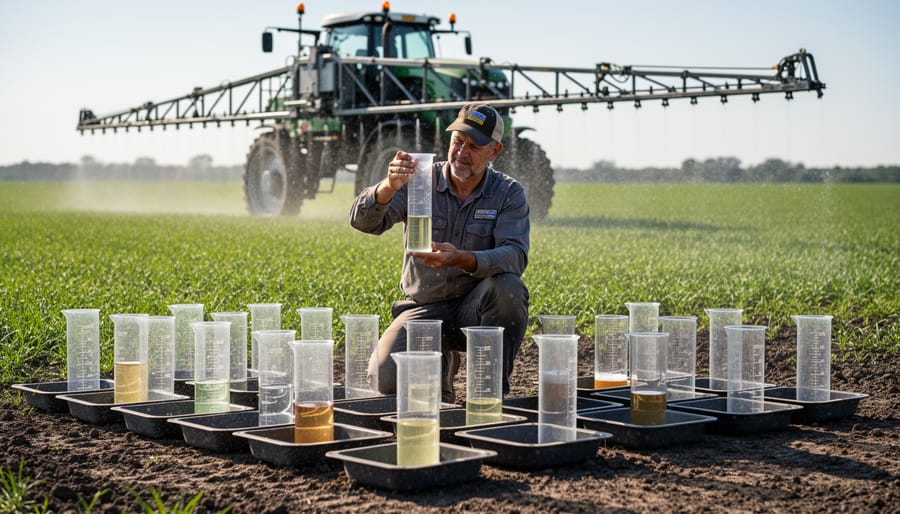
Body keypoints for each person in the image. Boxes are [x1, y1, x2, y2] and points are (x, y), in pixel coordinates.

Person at [349, 103, 530, 403]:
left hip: (475, 310)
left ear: (494, 152)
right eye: (458, 141)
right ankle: (441, 367)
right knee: (384, 377)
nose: (462, 152)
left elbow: (515, 256)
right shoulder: (418, 181)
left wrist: (462, 258)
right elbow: (362, 222)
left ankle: (489, 395)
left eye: (474, 146)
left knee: (509, 290)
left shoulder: (508, 193)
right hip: (423, 309)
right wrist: (387, 187)